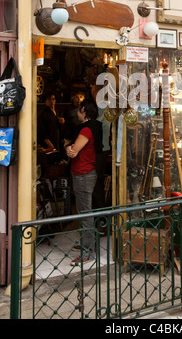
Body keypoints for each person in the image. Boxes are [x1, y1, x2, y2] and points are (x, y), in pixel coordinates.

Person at [66, 99, 103, 265]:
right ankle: (87, 245)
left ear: (84, 110)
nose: (77, 113)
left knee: (85, 213)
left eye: (79, 110)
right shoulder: (95, 126)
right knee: (85, 211)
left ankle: (87, 253)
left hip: (83, 174)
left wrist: (69, 148)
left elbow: (73, 152)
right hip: (86, 172)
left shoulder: (86, 130)